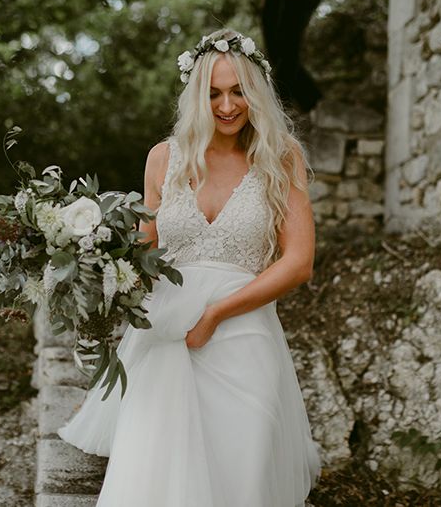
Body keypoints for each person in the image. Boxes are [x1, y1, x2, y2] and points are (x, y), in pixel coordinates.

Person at [58, 28, 321, 506]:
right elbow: (145, 254)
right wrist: (92, 267)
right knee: (158, 476)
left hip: (245, 335)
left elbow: (299, 262)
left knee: (243, 470)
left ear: (256, 92)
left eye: (238, 91)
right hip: (166, 338)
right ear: (196, 96)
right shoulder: (164, 159)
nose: (226, 105)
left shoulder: (282, 158)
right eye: (214, 93)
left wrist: (217, 314)